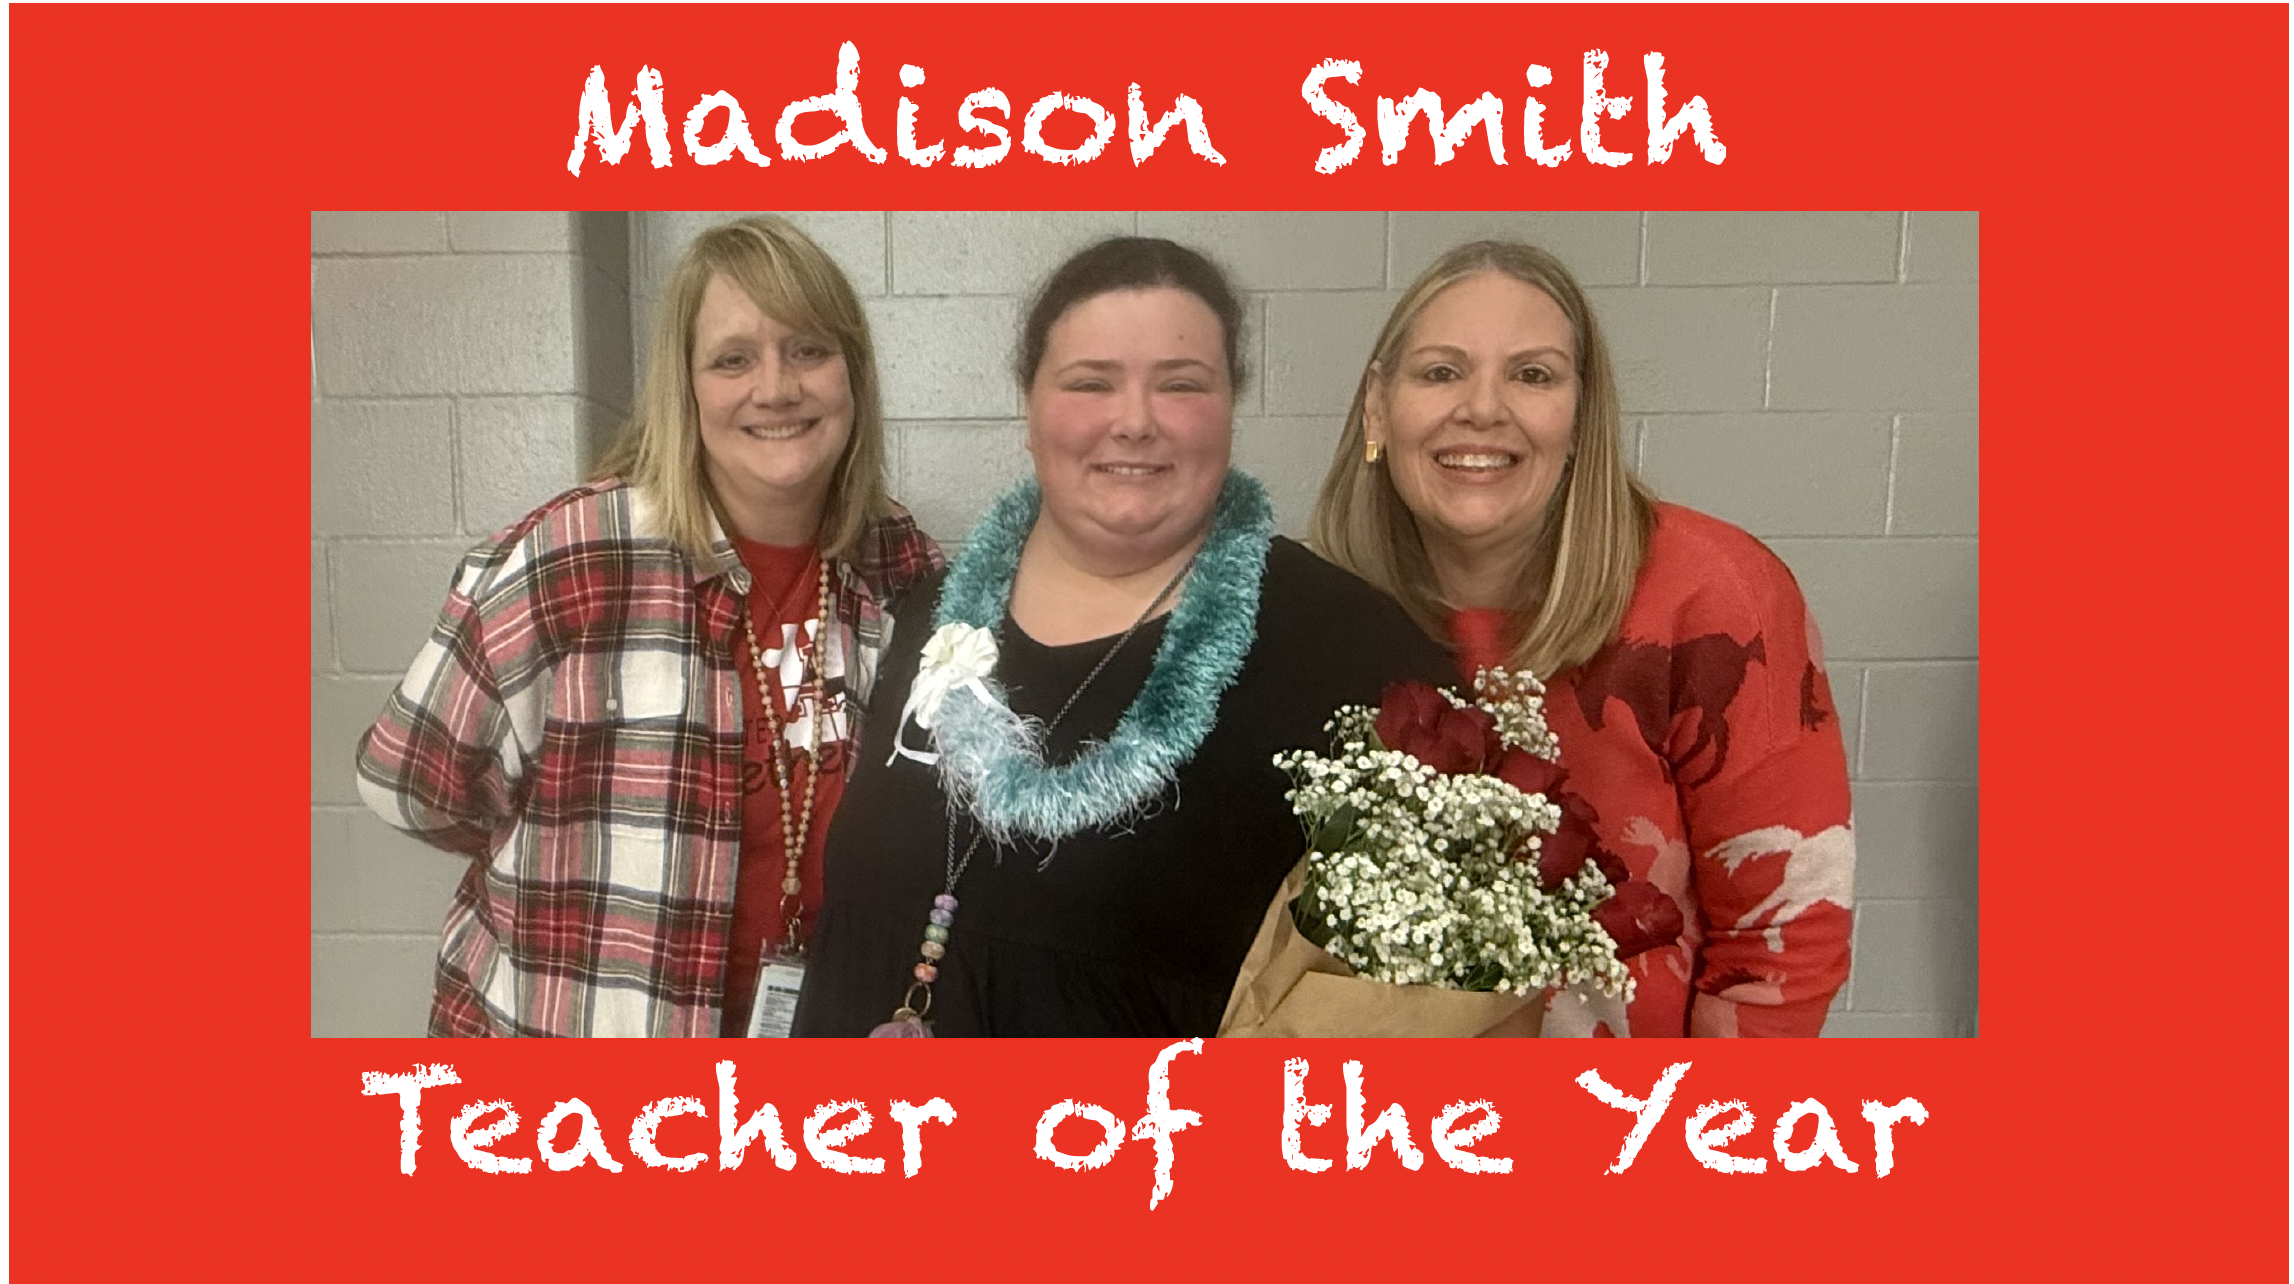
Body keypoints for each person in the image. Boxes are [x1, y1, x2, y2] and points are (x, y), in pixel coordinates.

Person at [790, 238, 1454, 1038]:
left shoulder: (1347, 651)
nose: (1134, 422)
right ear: (1030, 403)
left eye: (1180, 385)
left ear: (1232, 403)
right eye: (1091, 382)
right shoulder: (930, 614)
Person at [355, 216, 943, 1037]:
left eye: (809, 350)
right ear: (686, 384)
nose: (775, 387)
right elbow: (412, 786)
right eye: (732, 359)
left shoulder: (899, 567)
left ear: (853, 375)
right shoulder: (578, 556)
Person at [1312, 240, 1855, 1037]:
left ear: (1582, 415)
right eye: (1440, 372)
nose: (1483, 408)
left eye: (1532, 375)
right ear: (1375, 408)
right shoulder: (1316, 611)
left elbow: (1784, 938)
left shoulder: (1710, 596)